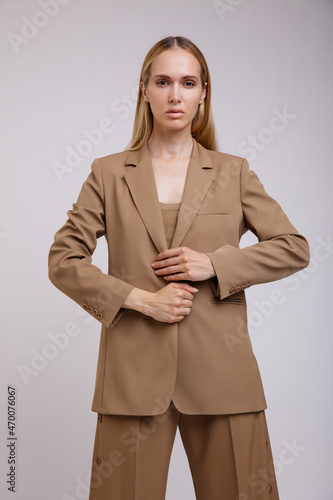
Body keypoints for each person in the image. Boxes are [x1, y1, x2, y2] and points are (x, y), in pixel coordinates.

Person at [48, 36, 310, 500]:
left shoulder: (233, 172)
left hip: (223, 377)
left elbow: (293, 247)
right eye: (163, 82)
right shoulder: (108, 173)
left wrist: (214, 263)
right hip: (132, 378)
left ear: (203, 92)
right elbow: (63, 260)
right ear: (144, 90)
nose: (175, 95)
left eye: (187, 83)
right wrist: (140, 299)